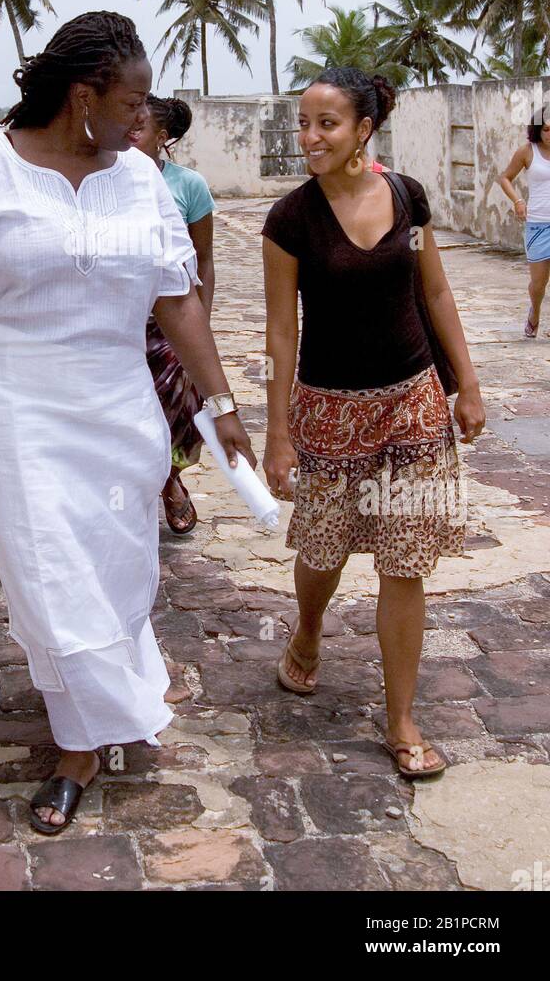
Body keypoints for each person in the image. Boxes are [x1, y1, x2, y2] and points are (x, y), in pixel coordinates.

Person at [0, 12, 255, 833]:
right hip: (13, 404)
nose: (142, 121)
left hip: (118, 406)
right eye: (132, 103)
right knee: (48, 574)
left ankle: (99, 704)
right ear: (84, 96)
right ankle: (80, 745)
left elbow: (177, 297)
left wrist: (220, 404)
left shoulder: (141, 178)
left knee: (112, 568)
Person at [262, 68, 486, 780]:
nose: (310, 137)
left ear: (364, 129)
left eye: (326, 123)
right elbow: (279, 335)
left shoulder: (406, 197)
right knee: (323, 552)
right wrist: (277, 432)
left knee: (405, 560)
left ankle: (400, 718)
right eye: (303, 123)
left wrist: (468, 385)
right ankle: (306, 632)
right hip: (328, 408)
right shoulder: (290, 220)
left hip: (412, 401)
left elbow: (436, 289)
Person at [131, 95, 216, 534]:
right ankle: (150, 484)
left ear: (161, 138)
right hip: (125, 317)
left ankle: (170, 478)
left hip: (173, 321)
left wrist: (200, 318)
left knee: (174, 410)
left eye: (141, 126)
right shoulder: (110, 176)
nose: (131, 131)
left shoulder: (189, 186)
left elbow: (203, 258)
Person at [498, 110, 550, 337]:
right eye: (546, 129)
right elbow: (505, 177)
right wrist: (518, 200)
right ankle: (535, 312)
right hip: (538, 224)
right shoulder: (528, 152)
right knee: (538, 283)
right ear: (538, 129)